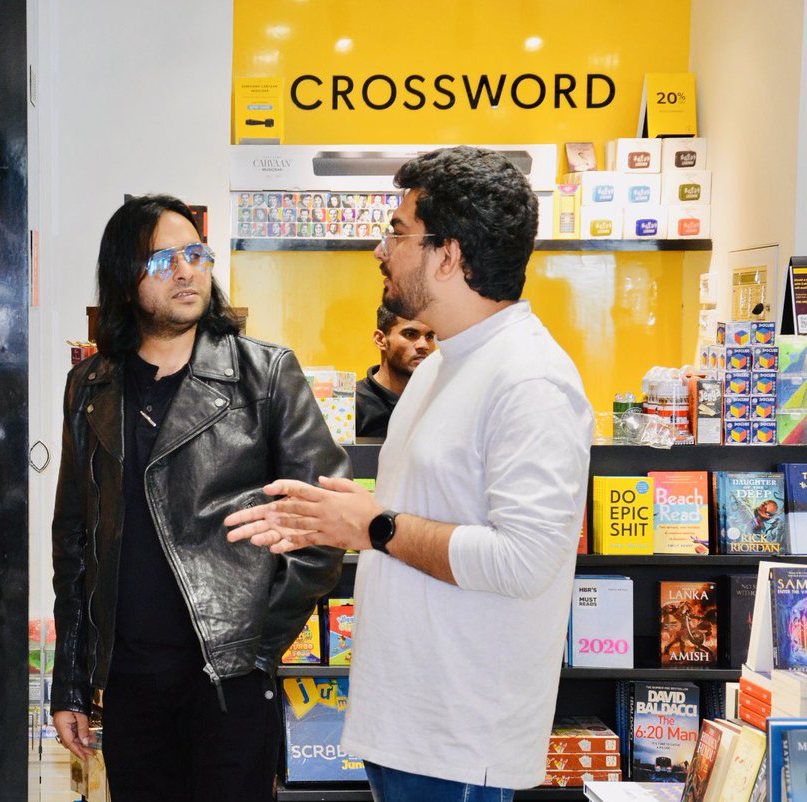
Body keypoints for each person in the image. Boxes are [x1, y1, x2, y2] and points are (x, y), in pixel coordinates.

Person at [225, 146, 593, 801]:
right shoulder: (443, 367)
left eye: (398, 231)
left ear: (448, 256)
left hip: (458, 742)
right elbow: (413, 516)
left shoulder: (530, 379)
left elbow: (524, 559)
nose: (380, 248)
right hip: (406, 727)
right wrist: (340, 513)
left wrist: (374, 523)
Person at [51, 194, 347, 801]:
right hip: (130, 683)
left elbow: (324, 528)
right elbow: (74, 541)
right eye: (163, 260)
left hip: (228, 681)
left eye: (195, 254)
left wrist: (258, 647)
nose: (186, 271)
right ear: (123, 277)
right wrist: (71, 685)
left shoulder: (264, 375)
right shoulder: (90, 386)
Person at [355, 306, 436, 438]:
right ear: (380, 340)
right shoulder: (352, 406)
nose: (424, 345)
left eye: (429, 336)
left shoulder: (441, 401)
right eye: (410, 334)